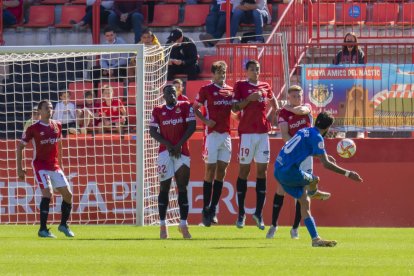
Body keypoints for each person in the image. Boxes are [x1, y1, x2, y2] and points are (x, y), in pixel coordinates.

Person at [274, 111, 363, 247]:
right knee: (314, 180)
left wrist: (322, 156)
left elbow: (300, 149)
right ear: (327, 128)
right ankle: (313, 192)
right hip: (289, 171)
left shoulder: (305, 130)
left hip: (278, 169)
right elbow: (326, 165)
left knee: (304, 202)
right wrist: (348, 173)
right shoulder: (317, 137)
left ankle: (315, 239)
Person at [267, 85, 330, 239]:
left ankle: (295, 228)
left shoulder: (306, 107)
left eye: (299, 96)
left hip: (306, 156)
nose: (297, 98)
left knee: (303, 193)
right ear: (288, 97)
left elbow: (300, 111)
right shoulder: (283, 113)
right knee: (280, 189)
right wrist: (297, 149)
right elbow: (284, 134)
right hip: (292, 154)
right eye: (293, 96)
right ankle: (274, 225)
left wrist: (287, 107)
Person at [16, 100, 75, 238]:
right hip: (40, 165)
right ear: (40, 111)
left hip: (54, 166)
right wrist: (20, 168)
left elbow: (59, 146)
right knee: (48, 193)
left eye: (51, 108)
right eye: (46, 108)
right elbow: (20, 146)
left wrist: (60, 164)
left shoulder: (57, 125)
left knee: (68, 195)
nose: (50, 110)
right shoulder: (33, 128)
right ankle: (43, 229)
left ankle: (63, 225)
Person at [232, 59, 279, 230]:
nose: (256, 72)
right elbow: (235, 107)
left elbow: (274, 102)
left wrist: (271, 115)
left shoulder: (266, 86)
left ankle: (258, 213)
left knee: (262, 171)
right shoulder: (240, 86)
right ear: (246, 71)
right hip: (247, 134)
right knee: (244, 170)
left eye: (257, 69)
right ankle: (241, 214)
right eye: (252, 69)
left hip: (262, 134)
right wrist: (249, 99)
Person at [149, 85, 196, 239]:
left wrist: (179, 145)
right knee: (164, 188)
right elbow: (152, 131)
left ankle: (183, 224)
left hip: (182, 152)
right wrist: (169, 145)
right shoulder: (158, 110)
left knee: (182, 188)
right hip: (165, 153)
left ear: (177, 93)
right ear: (164, 96)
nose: (172, 95)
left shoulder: (185, 106)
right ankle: (163, 225)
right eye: (168, 93)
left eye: (174, 92)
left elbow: (192, 126)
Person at [193, 61, 234, 226]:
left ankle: (213, 209)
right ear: (213, 74)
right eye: (219, 72)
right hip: (211, 135)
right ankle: (205, 209)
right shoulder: (206, 90)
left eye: (224, 72)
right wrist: (205, 120)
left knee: (222, 172)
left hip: (226, 135)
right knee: (209, 170)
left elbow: (234, 110)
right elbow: (194, 107)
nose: (222, 75)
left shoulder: (230, 90)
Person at [334, 32, 365, 139]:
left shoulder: (360, 53)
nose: (349, 43)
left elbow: (362, 68)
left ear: (355, 42)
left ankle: (360, 130)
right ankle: (341, 130)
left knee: (357, 107)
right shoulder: (339, 54)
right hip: (342, 85)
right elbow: (334, 68)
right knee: (342, 108)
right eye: (347, 41)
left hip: (356, 84)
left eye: (351, 41)